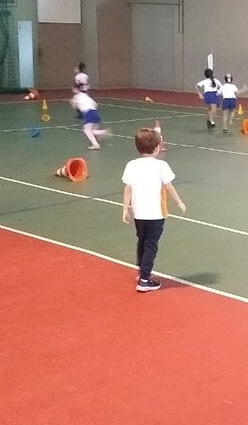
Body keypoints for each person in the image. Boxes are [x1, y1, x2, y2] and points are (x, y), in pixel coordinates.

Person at [121, 127, 186, 292]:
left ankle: (141, 271)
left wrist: (125, 209)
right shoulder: (161, 165)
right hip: (156, 214)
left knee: (142, 242)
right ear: (157, 148)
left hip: (139, 213)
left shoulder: (131, 165)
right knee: (151, 245)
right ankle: (144, 280)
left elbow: (128, 188)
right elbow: (169, 187)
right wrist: (179, 202)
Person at [70, 84, 110, 149]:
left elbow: (74, 106)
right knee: (91, 130)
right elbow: (95, 104)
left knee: (87, 130)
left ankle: (96, 144)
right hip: (95, 112)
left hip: (88, 113)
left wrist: (72, 102)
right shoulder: (85, 95)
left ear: (76, 89)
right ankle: (102, 132)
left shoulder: (76, 96)